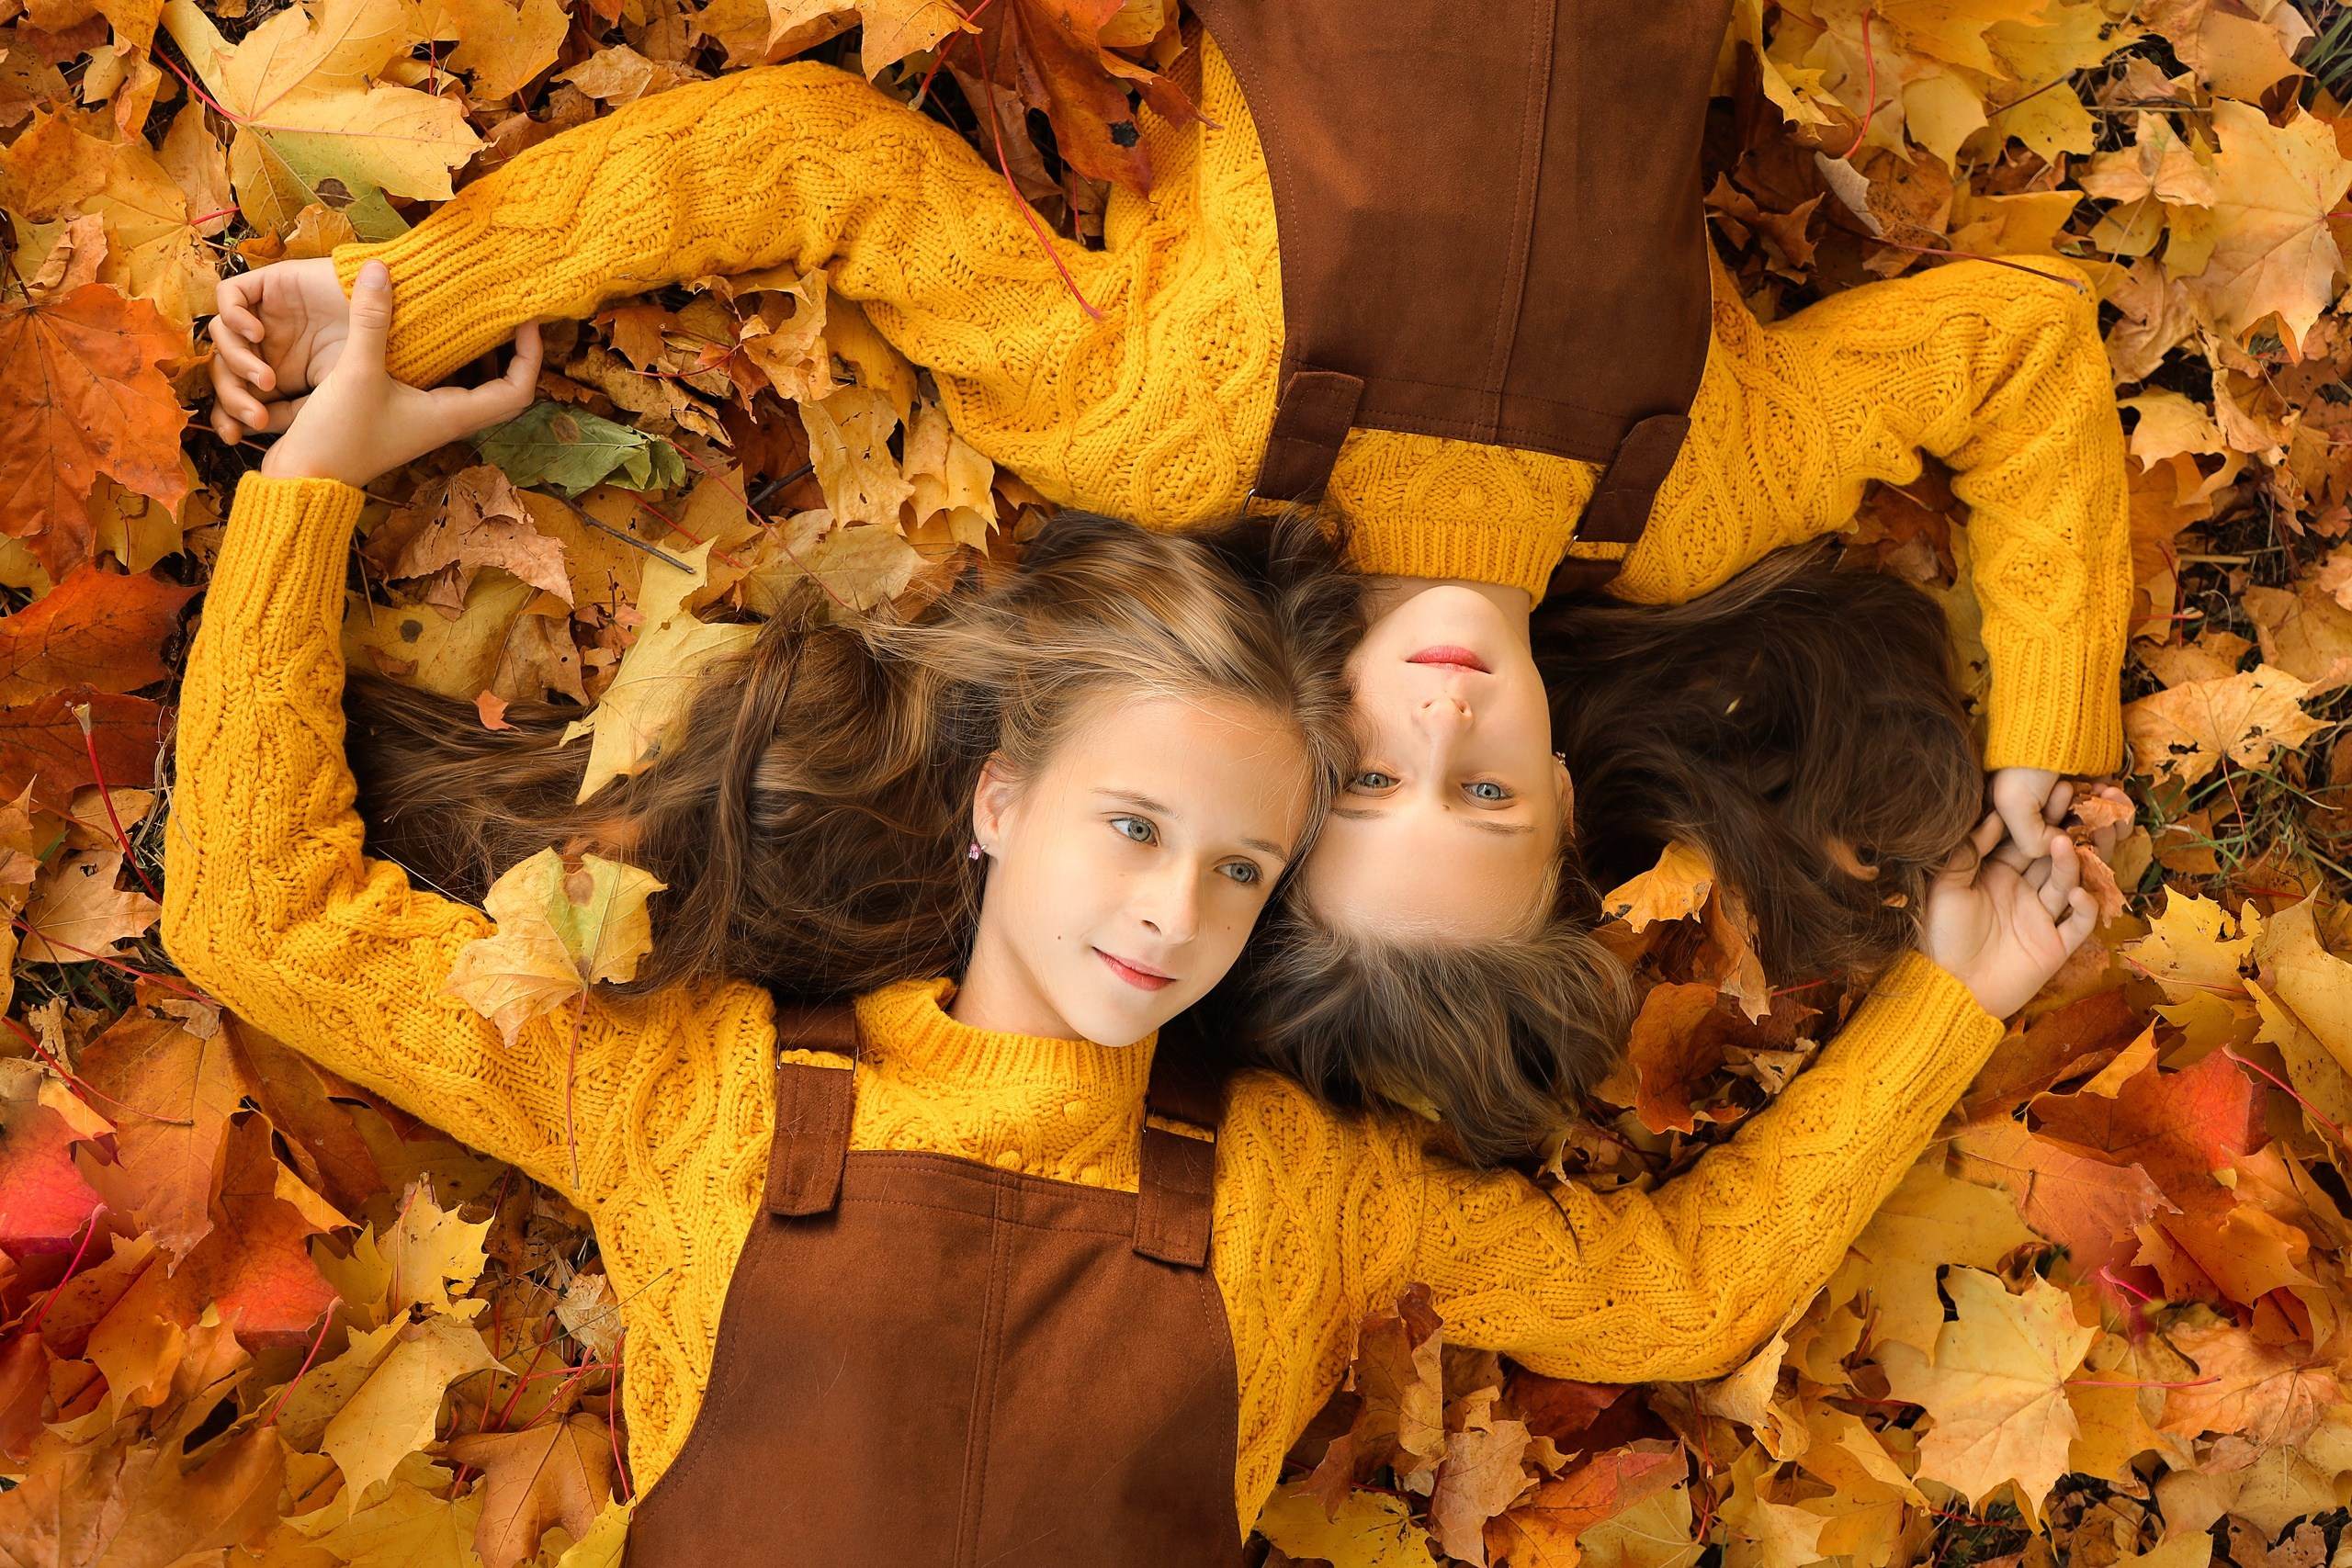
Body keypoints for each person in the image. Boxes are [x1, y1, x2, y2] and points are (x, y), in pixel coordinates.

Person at [168, 263, 2104, 1561]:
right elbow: (258, 917)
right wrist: (313, 472)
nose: (1173, 906)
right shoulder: (711, 1096)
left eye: (1243, 863)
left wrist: (1950, 993)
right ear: (1000, 801)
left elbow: (1674, 1298)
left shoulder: (1278, 1192)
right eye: (1130, 822)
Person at [202, 9, 2129, 1044]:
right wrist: (2047, 739)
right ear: (1572, 809)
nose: (1444, 730)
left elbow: (813, 171)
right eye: (1486, 801)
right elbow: (2017, 360)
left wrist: (409, 296)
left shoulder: (1164, 433)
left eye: (1369, 784)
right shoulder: (1698, 498)